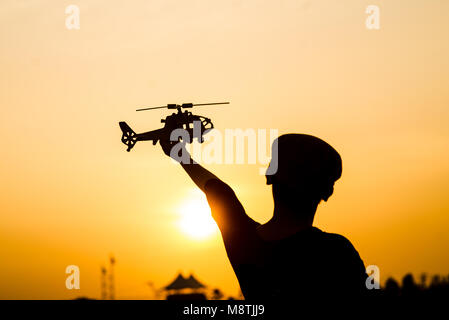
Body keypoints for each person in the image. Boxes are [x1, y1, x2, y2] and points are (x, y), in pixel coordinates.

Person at [160, 133, 367, 299]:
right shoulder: (336, 252)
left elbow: (221, 194)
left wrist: (180, 154)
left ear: (270, 178)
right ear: (326, 192)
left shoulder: (244, 243)